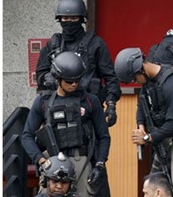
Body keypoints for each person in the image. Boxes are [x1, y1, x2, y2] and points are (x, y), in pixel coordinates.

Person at [114, 47, 173, 197]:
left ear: (141, 69)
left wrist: (147, 138)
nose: (136, 82)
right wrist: (141, 124)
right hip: (164, 137)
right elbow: (141, 104)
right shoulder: (149, 82)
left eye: (135, 78)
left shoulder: (172, 82)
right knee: (153, 187)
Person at [22, 51, 111, 197]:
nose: (74, 84)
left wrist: (100, 164)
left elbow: (103, 136)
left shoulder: (90, 101)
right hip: (52, 163)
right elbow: (27, 136)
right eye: (69, 81)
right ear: (58, 78)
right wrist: (41, 160)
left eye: (78, 80)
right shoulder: (43, 102)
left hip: (81, 162)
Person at [35, 0, 121, 127]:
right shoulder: (52, 45)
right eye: (65, 18)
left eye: (74, 18)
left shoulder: (95, 44)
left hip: (88, 108)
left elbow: (110, 78)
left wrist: (111, 104)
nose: (69, 22)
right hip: (57, 107)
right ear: (59, 19)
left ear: (81, 19)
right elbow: (41, 75)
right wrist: (55, 80)